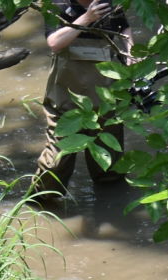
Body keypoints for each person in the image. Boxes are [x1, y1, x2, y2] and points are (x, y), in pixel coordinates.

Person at [32, 0, 134, 203]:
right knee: (55, 165)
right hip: (65, 102)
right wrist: (87, 18)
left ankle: (111, 212)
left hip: (106, 100)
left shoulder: (109, 5)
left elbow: (124, 28)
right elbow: (54, 43)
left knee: (110, 170)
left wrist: (130, 53)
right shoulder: (56, 5)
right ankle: (37, 206)